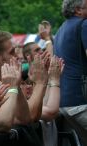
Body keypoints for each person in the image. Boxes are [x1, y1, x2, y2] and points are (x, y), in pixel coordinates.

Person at [54, 0, 87, 144]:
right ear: (78, 10)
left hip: (65, 103)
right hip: (81, 100)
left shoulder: (60, 29)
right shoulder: (84, 24)